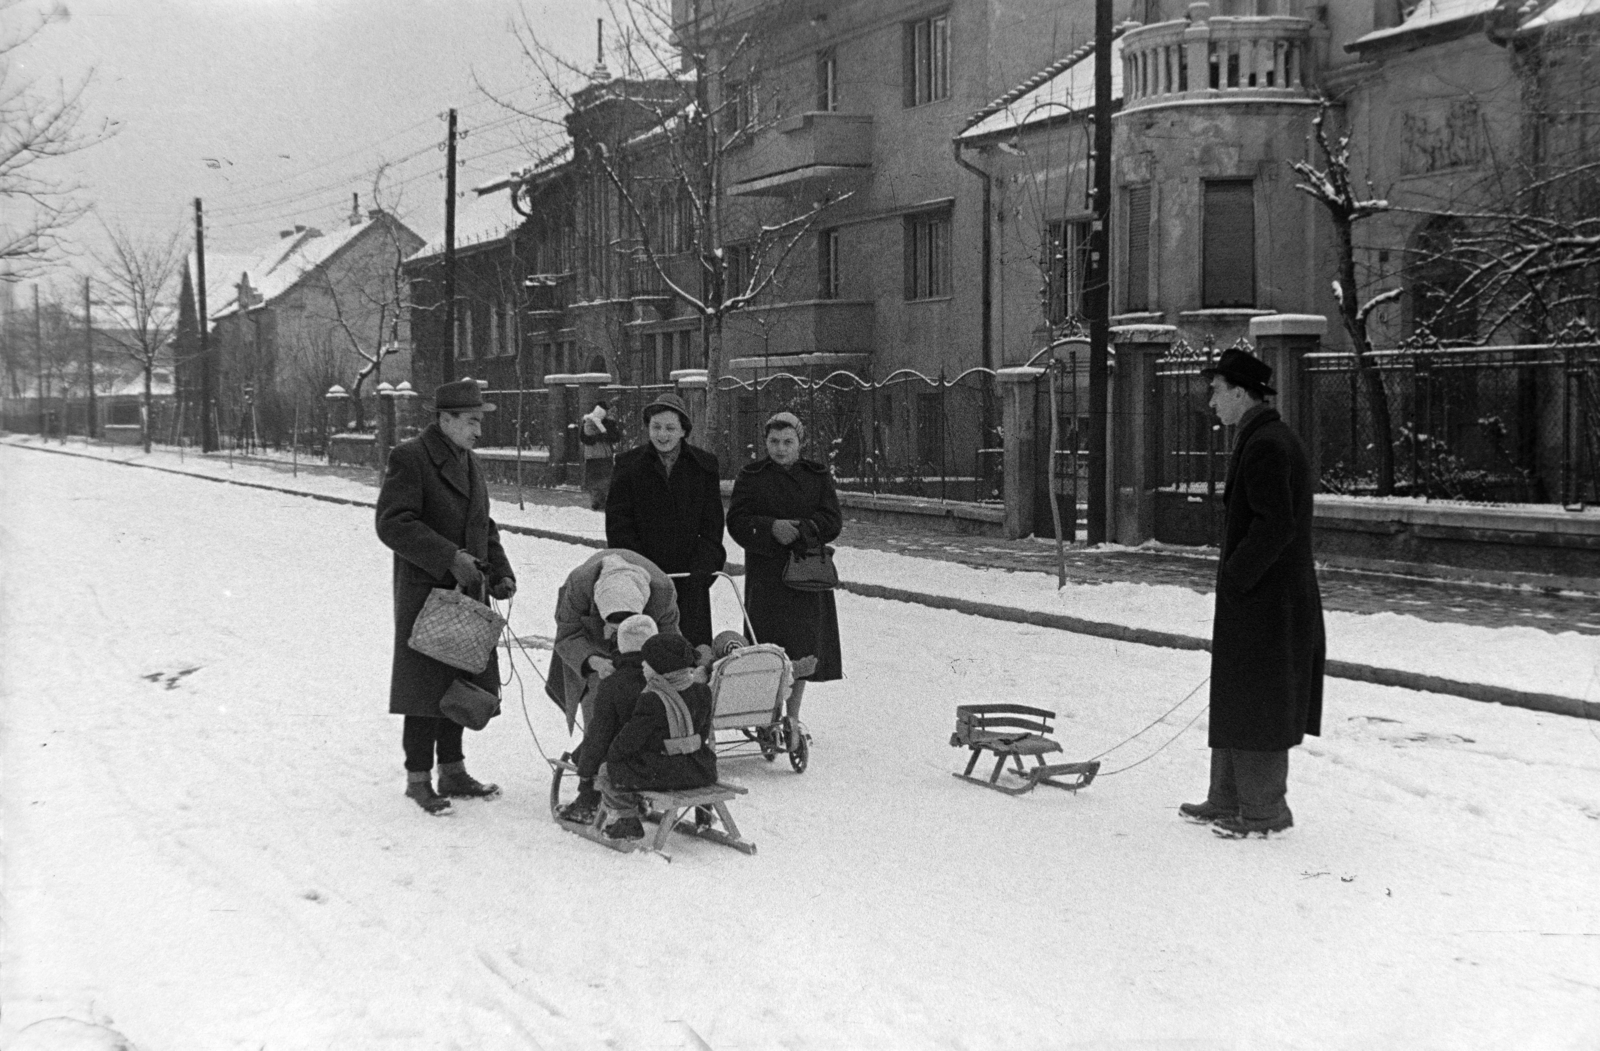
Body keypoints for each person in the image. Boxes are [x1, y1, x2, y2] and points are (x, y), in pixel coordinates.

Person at [1181, 348, 1326, 839]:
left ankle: (1265, 812)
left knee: (1259, 699)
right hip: (1261, 597)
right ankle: (1226, 799)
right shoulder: (1261, 436)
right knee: (1239, 693)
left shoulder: (1267, 444)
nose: (1211, 400)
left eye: (1216, 390)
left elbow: (1275, 524)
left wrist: (1237, 576)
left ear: (1241, 392)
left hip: (1270, 601)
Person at [375, 378, 517, 816]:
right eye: (472, 421)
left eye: (479, 421)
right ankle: (418, 779)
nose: (478, 431)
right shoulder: (411, 458)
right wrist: (448, 557)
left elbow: (483, 524)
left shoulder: (469, 461)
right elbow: (392, 522)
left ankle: (452, 770)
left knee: (459, 681)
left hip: (467, 588)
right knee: (424, 687)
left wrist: (500, 571)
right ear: (446, 419)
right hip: (427, 591)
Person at [726, 411, 843, 750]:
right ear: (765, 443)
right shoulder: (751, 476)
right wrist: (768, 528)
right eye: (774, 442)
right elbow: (736, 521)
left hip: (807, 575)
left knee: (803, 648)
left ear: (800, 443)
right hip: (767, 576)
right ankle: (768, 715)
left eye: (788, 442)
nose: (780, 449)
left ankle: (791, 717)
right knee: (768, 647)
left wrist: (804, 530)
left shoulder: (817, 477)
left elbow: (832, 519)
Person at [605, 391, 725, 647]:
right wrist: (639, 569)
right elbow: (618, 524)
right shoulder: (628, 466)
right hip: (643, 581)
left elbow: (713, 527)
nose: (662, 435)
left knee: (691, 653)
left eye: (670, 428)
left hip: (690, 579)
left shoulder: (704, 467)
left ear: (683, 430)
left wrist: (702, 571)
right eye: (656, 427)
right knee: (645, 654)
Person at [595, 632, 718, 841]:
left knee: (607, 771)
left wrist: (612, 754)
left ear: (661, 667)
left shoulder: (652, 699)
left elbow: (629, 742)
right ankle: (704, 812)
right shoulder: (702, 692)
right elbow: (703, 734)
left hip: (663, 772)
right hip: (700, 769)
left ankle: (628, 820)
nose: (643, 664)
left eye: (648, 661)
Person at [545, 548, 680, 732]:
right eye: (614, 624)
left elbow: (671, 643)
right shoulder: (579, 587)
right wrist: (595, 662)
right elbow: (567, 636)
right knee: (598, 710)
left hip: (644, 646)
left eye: (626, 625)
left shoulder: (663, 593)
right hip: (595, 646)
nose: (619, 634)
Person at [557, 612, 659, 825]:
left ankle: (586, 803)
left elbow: (599, 735)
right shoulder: (666, 676)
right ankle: (635, 799)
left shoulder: (613, 684)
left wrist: (585, 770)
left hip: (625, 760)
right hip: (660, 756)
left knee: (594, 751)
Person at [579, 400, 622, 511]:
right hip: (596, 456)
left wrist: (604, 434)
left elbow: (616, 437)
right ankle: (597, 501)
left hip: (600, 455)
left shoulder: (607, 422)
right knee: (599, 479)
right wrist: (598, 437)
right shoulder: (589, 421)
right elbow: (584, 438)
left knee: (601, 479)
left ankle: (601, 501)